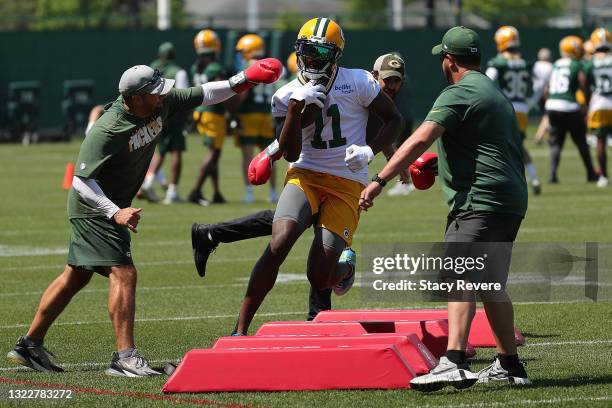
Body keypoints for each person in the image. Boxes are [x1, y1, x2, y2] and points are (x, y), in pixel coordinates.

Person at [6, 60, 282, 376]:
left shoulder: (157, 104)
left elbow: (205, 93)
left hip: (110, 205)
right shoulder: (108, 128)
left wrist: (244, 78)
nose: (162, 96)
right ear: (134, 98)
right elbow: (81, 180)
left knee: (76, 275)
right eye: (154, 93)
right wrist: (114, 211)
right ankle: (125, 358)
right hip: (95, 207)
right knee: (124, 273)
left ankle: (29, 344)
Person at [360, 26, 530, 391]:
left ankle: (452, 361)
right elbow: (484, 143)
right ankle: (510, 364)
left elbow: (420, 136)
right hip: (509, 199)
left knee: (458, 273)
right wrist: (441, 163)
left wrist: (379, 181)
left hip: (479, 199)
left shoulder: (458, 92)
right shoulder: (489, 89)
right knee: (490, 283)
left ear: (449, 60)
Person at [192, 52, 410, 320]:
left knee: (313, 245)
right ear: (375, 78)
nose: (391, 86)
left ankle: (213, 234)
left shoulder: (372, 97)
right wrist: (268, 154)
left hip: (346, 181)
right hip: (312, 171)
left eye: (397, 81)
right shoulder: (357, 89)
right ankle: (315, 314)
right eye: (386, 79)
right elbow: (298, 132)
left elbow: (383, 133)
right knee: (290, 233)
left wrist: (396, 165)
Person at [229, 17, 403, 336]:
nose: (311, 60)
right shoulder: (285, 94)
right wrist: (297, 108)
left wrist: (369, 150)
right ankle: (239, 329)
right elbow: (291, 152)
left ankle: (344, 267)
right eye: (307, 52)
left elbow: (395, 119)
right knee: (279, 243)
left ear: (335, 56)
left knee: (318, 277)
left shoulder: (359, 81)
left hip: (347, 182)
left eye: (320, 54)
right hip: (305, 173)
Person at [486, 26, 541, 195]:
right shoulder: (525, 61)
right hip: (522, 109)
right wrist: (532, 100)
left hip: (506, 108)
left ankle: (507, 182)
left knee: (499, 146)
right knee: (518, 145)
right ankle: (534, 177)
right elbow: (541, 81)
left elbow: (486, 81)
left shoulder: (498, 62)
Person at [140, 42, 190, 204]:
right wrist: (186, 118)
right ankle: (172, 192)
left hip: (154, 115)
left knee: (160, 151)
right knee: (176, 151)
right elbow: (184, 97)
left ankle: (147, 182)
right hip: (173, 115)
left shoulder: (151, 69)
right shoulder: (179, 72)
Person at [545, 35, 597, 184]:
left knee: (556, 143)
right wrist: (587, 103)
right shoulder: (576, 64)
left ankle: (552, 175)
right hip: (569, 106)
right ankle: (591, 174)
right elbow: (583, 84)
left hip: (552, 105)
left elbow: (547, 89)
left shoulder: (555, 64)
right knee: (581, 141)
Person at [188, 29, 229, 206]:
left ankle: (216, 192)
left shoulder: (195, 67)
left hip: (200, 112)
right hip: (214, 113)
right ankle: (195, 190)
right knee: (214, 152)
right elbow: (223, 91)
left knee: (214, 153)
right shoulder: (215, 68)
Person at [584, 28, 612, 188]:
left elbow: (584, 83)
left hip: (599, 102)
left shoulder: (591, 63)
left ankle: (604, 176)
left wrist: (589, 102)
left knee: (600, 141)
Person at [533, 48, 553, 145]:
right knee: (547, 115)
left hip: (535, 93)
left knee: (546, 115)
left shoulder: (535, 65)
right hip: (546, 93)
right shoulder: (550, 66)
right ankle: (539, 137)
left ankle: (549, 137)